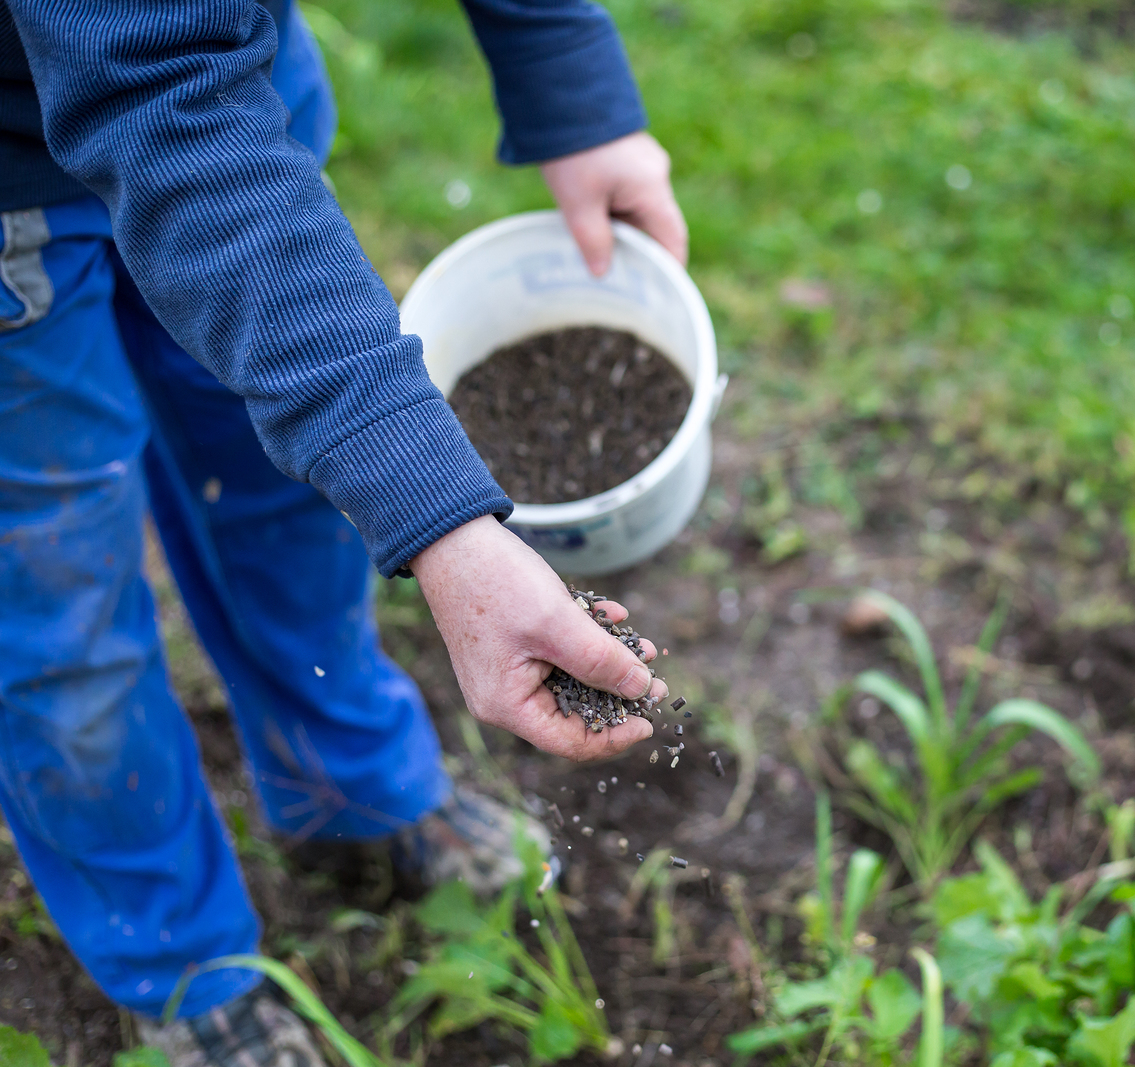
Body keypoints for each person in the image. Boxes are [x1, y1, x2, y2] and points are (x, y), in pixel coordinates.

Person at [0, 0, 685, 1062]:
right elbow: (154, 89)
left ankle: (350, 787)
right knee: (61, 608)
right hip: (37, 180)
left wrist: (564, 72)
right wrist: (442, 521)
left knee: (286, 486)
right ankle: (182, 966)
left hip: (229, 79)